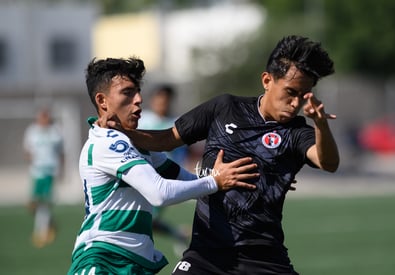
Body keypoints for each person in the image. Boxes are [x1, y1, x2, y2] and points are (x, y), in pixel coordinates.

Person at [101, 35, 340, 275]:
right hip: (206, 255)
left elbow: (328, 162)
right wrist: (122, 132)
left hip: (264, 258)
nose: (295, 102)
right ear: (267, 80)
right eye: (290, 92)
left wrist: (320, 124)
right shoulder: (225, 108)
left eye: (303, 95)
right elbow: (166, 139)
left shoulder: (297, 132)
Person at [67, 57, 259, 275]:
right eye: (127, 93)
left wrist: (235, 176)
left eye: (138, 91)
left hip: (132, 263)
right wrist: (215, 181)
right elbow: (160, 193)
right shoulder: (108, 142)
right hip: (104, 262)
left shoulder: (134, 142)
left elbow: (184, 180)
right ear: (102, 101)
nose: (138, 99)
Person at [139, 84, 191, 254]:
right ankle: (178, 234)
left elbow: (182, 152)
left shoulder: (174, 124)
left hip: (162, 178)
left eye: (165, 100)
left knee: (148, 219)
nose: (161, 103)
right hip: (139, 175)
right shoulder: (143, 119)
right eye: (159, 99)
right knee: (142, 219)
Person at [23, 107, 64, 248]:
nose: (43, 120)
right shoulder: (32, 131)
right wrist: (30, 163)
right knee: (33, 204)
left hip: (50, 171)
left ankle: (41, 233)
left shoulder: (56, 132)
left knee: (44, 202)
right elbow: (27, 150)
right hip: (36, 171)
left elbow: (61, 152)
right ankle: (50, 223)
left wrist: (61, 171)